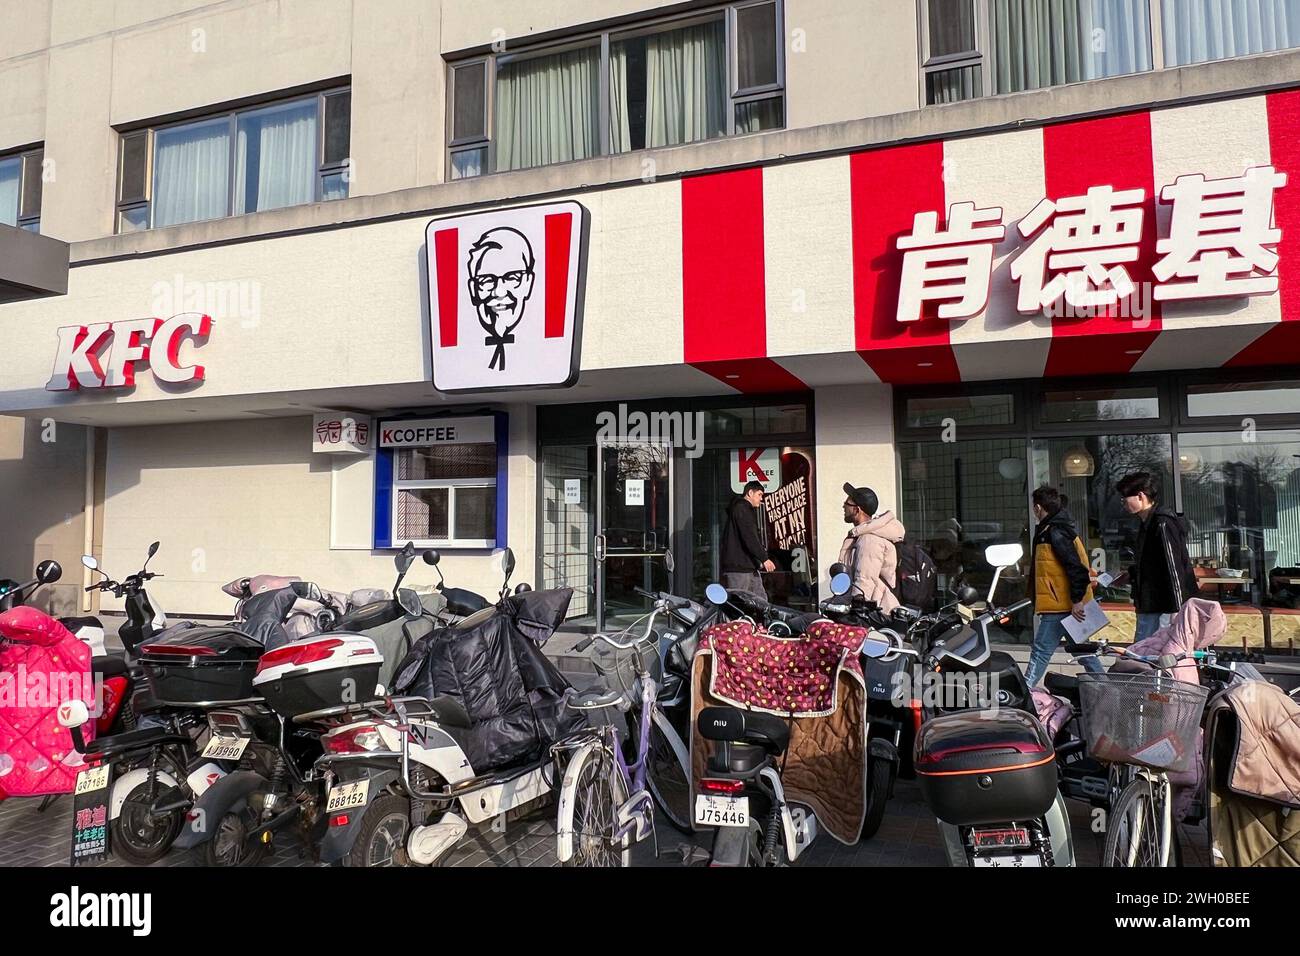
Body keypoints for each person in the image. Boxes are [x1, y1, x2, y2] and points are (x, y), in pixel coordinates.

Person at [1028, 486, 1101, 687]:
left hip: (1061, 604)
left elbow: (1075, 568)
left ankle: (1025, 692)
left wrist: (1076, 601)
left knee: (1041, 651)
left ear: (1038, 507)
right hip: (1065, 603)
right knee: (1083, 652)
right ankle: (1106, 688)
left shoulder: (1055, 531)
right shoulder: (1056, 528)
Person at [1117, 471, 1198, 643]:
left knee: (1151, 650)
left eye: (1125, 499)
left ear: (1140, 496)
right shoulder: (1149, 523)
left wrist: (1178, 608)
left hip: (1162, 604)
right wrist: (1131, 574)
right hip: (1152, 602)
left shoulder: (1161, 523)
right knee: (1146, 650)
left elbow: (1173, 567)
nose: (1123, 504)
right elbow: (1153, 563)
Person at [839, 483, 906, 611]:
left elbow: (865, 579)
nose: (843, 506)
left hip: (875, 611)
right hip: (871, 609)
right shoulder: (860, 536)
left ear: (857, 510)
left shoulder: (869, 540)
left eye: (847, 503)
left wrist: (856, 607)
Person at [720, 480, 775, 597]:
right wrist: (764, 558)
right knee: (739, 604)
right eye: (759, 494)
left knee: (760, 603)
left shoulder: (743, 509)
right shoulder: (742, 508)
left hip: (748, 567)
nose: (761, 499)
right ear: (750, 493)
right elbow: (749, 536)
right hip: (739, 569)